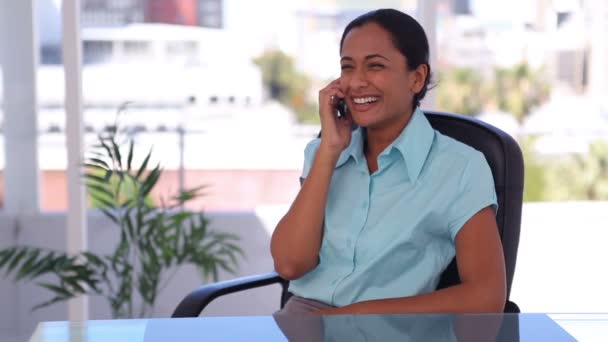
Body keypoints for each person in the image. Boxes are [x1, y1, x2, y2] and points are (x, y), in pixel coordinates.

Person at [270, 8, 506, 316]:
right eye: (347, 67)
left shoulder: (460, 168)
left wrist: (356, 316)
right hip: (302, 325)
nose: (356, 82)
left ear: (416, 78)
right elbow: (290, 263)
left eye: (375, 66)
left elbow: (486, 296)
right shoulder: (323, 153)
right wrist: (329, 151)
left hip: (393, 329)